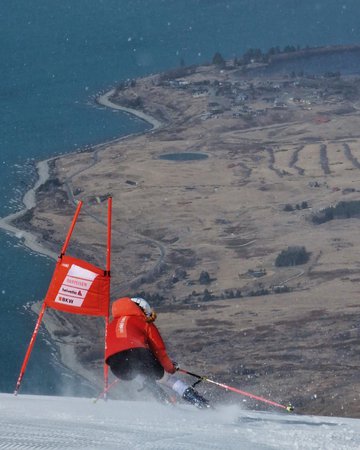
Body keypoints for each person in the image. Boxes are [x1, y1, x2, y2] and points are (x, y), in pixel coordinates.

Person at [105, 296, 210, 409]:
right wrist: (170, 368)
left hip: (116, 367)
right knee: (168, 380)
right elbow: (159, 350)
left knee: (145, 379)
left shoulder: (110, 325)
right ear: (141, 309)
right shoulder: (144, 322)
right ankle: (204, 406)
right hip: (138, 355)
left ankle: (167, 407)